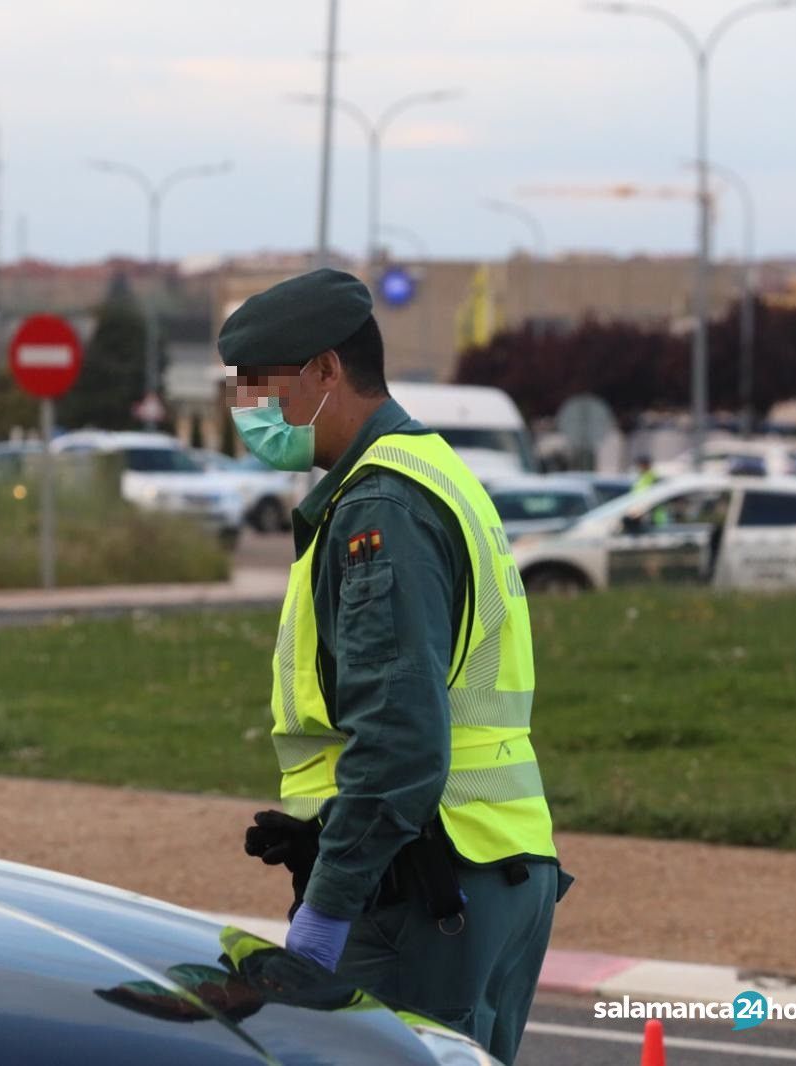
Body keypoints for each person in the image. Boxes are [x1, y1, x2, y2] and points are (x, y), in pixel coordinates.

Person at [225, 269, 570, 1065]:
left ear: (324, 371)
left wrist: (329, 905)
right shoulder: (434, 469)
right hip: (496, 867)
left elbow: (401, 738)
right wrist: (324, 829)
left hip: (425, 886)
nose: (252, 413)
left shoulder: (381, 507)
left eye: (263, 388)